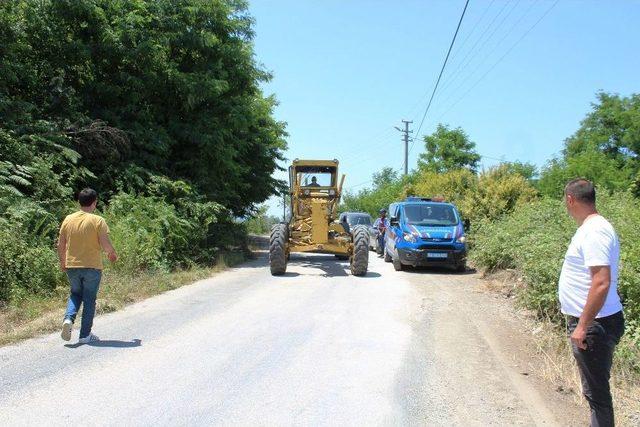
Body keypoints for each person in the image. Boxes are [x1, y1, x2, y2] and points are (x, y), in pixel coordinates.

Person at [559, 178, 624, 427]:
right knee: (594, 392)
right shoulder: (592, 227)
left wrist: (582, 326)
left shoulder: (595, 231)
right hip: (595, 323)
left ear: (570, 199)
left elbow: (601, 282)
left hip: (595, 325)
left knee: (597, 395)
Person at [58, 188, 118, 344]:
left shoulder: (68, 219)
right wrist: (112, 253)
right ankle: (85, 335)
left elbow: (61, 244)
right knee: (89, 300)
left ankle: (68, 320)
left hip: (72, 265)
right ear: (95, 203)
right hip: (92, 266)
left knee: (75, 294)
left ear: (79, 202)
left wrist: (63, 262)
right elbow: (105, 245)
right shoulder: (98, 220)